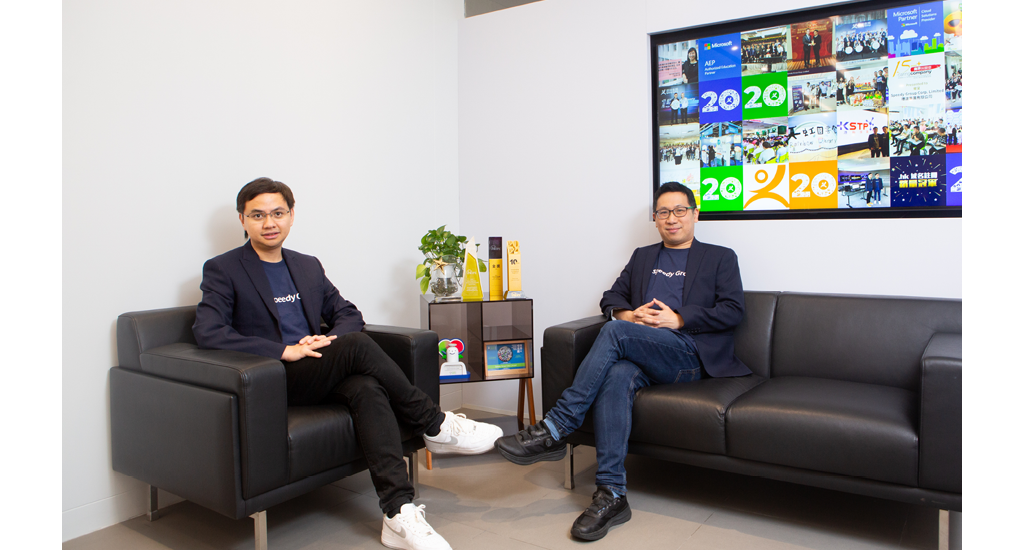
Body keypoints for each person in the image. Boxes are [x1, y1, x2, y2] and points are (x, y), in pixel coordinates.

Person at [194, 178, 503, 550]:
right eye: (257, 215)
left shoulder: (306, 266)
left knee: (366, 387)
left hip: (317, 366)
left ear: (291, 215)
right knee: (356, 346)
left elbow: (348, 314)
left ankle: (398, 513)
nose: (269, 223)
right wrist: (283, 350)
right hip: (273, 377)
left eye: (277, 213)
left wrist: (327, 341)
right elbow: (208, 332)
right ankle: (433, 423)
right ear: (242, 219)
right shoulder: (224, 268)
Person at [494, 182, 751, 541]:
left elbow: (733, 310)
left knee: (615, 333)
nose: (672, 218)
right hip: (641, 349)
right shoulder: (643, 257)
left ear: (695, 214)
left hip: (688, 354)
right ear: (655, 219)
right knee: (617, 374)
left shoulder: (720, 257)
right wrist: (629, 315)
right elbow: (611, 297)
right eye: (663, 212)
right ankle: (612, 494)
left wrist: (678, 319)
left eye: (680, 210)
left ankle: (556, 427)